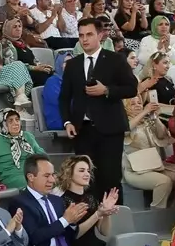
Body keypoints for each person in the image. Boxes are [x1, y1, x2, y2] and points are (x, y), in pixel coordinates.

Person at [59, 17, 138, 198]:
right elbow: (64, 98)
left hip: (110, 130)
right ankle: (90, 223)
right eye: (81, 35)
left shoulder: (115, 60)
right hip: (83, 131)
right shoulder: (73, 64)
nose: (85, 39)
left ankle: (114, 223)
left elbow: (132, 88)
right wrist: (67, 122)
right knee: (85, 181)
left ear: (100, 35)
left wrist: (107, 90)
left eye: (89, 34)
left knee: (110, 178)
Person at [122, 95, 175, 209]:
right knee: (163, 182)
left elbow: (162, 135)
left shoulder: (147, 120)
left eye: (139, 103)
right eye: (133, 103)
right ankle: (157, 215)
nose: (137, 106)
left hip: (155, 165)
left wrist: (154, 116)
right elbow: (126, 129)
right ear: (126, 107)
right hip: (135, 171)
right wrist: (145, 111)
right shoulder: (123, 122)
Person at [0, 108, 46, 190]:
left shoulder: (27, 136)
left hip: (33, 173)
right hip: (10, 178)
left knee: (53, 180)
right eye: (10, 121)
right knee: (32, 182)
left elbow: (42, 156)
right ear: (3, 124)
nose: (16, 123)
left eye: (17, 120)